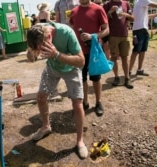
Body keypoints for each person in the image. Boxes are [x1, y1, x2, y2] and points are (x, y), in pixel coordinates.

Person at [27, 23, 88, 159]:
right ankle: (45, 126)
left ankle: (80, 141)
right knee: (41, 96)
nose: (41, 49)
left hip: (71, 69)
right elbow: (31, 55)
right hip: (52, 69)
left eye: (43, 46)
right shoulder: (36, 32)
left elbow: (81, 61)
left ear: (49, 36)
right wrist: (31, 54)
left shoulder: (66, 33)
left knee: (77, 104)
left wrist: (56, 54)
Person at [69, 0, 109, 116]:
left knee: (96, 78)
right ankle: (85, 102)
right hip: (78, 52)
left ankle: (98, 102)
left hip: (93, 51)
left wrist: (93, 36)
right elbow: (72, 28)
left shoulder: (98, 9)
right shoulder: (74, 11)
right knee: (82, 79)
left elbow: (106, 30)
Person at [103, 0, 134, 89]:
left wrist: (126, 15)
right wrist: (109, 12)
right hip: (113, 35)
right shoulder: (107, 4)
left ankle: (127, 78)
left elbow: (132, 18)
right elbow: (103, 20)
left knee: (125, 57)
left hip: (124, 35)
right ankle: (116, 77)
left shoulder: (126, 4)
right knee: (114, 57)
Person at [129, 0, 157, 76]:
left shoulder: (140, 3)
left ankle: (139, 69)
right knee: (136, 50)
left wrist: (156, 14)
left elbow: (146, 17)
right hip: (139, 31)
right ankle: (129, 70)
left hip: (143, 30)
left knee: (143, 50)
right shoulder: (143, 0)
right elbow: (155, 5)